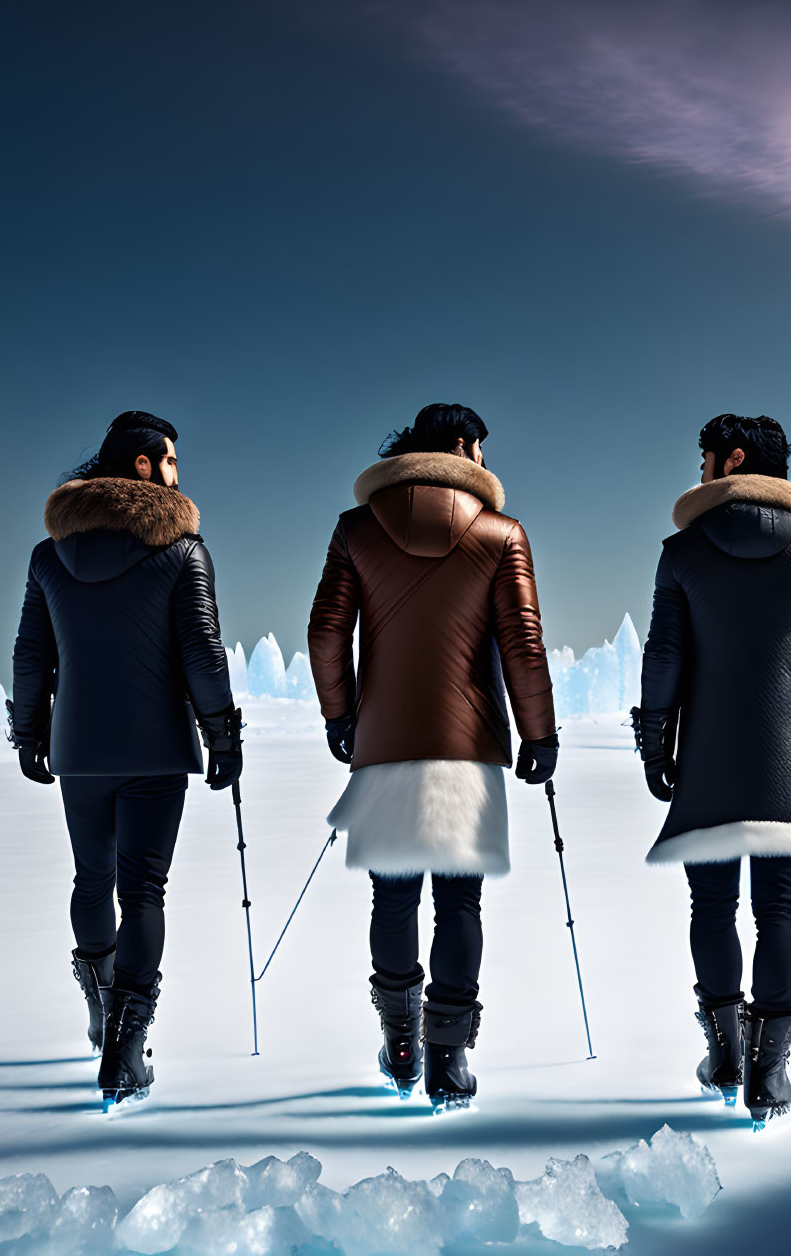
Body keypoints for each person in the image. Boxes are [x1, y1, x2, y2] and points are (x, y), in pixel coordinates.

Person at [308, 403, 558, 1111]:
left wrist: (341, 717)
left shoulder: (357, 529)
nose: (484, 462)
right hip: (467, 747)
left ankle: (402, 1044)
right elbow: (523, 646)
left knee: (392, 896)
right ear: (460, 446)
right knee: (459, 900)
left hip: (383, 747)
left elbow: (325, 632)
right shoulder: (501, 533)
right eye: (480, 448)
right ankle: (448, 1060)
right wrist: (539, 734)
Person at [632, 413, 791, 1126]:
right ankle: (769, 1073)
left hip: (705, 761)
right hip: (788, 763)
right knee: (777, 910)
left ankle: (726, 1056)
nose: (699, 471)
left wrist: (654, 743)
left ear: (731, 460)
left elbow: (663, 657)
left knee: (710, 907)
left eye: (704, 458)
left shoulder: (681, 552)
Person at [9, 410, 242, 1109]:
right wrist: (223, 736)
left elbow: (30, 658)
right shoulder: (183, 551)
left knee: (91, 878)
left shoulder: (49, 556)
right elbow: (201, 650)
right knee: (142, 892)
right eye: (169, 459)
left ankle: (104, 1013)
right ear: (143, 466)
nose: (177, 472)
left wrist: (29, 734)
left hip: (78, 750)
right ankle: (125, 1050)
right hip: (155, 751)